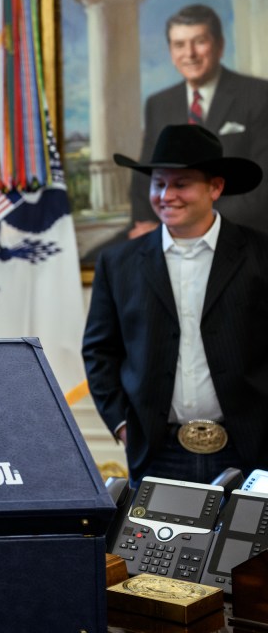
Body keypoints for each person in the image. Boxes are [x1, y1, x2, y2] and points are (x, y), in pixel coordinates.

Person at [84, 124, 268, 486]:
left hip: (251, 451)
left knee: (250, 545)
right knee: (157, 545)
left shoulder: (260, 256)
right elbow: (99, 352)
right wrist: (124, 426)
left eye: (181, 184)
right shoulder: (118, 263)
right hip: (157, 451)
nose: (167, 195)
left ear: (215, 187)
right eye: (158, 183)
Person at [128, 4, 268, 236]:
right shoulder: (159, 103)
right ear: (171, 52)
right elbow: (144, 180)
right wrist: (146, 224)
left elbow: (263, 185)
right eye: (179, 45)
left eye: (200, 41)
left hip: (239, 230)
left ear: (220, 45)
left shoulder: (259, 96)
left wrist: (197, 225)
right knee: (103, 260)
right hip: (168, 228)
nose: (190, 53)